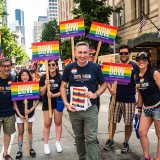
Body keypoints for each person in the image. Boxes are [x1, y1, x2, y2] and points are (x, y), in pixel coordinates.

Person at [60, 41, 106, 160]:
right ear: (75, 53)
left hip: (91, 108)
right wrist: (66, 103)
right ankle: (82, 157)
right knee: (79, 137)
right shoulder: (69, 67)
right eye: (80, 52)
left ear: (89, 53)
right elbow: (62, 87)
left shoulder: (95, 67)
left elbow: (104, 85)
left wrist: (95, 94)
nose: (82, 55)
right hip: (74, 109)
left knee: (91, 138)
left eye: (85, 52)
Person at [104, 45, 139, 153]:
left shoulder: (135, 66)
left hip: (129, 100)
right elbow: (107, 81)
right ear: (119, 54)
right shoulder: (114, 66)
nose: (123, 55)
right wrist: (110, 89)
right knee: (112, 121)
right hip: (115, 99)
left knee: (128, 123)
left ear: (129, 54)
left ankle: (126, 142)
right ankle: (110, 139)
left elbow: (139, 82)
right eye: (121, 53)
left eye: (125, 53)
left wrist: (139, 99)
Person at [135, 51, 160, 160]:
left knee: (159, 134)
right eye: (139, 58)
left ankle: (158, 157)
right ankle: (146, 156)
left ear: (148, 60)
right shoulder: (136, 76)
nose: (141, 60)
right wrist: (139, 110)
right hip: (146, 108)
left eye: (144, 58)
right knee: (141, 132)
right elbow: (140, 94)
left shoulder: (154, 73)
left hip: (158, 106)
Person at [13, 69, 39, 159]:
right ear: (20, 76)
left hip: (30, 113)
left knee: (29, 130)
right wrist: (19, 114)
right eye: (23, 75)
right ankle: (19, 150)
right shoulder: (16, 87)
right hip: (20, 113)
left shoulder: (33, 85)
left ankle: (30, 148)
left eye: (27, 75)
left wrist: (30, 110)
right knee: (20, 131)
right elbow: (15, 103)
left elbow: (37, 101)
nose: (25, 77)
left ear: (29, 76)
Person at [39, 59, 63, 154]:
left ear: (57, 66)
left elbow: (63, 91)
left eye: (53, 64)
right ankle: (46, 144)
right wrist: (45, 85)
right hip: (46, 103)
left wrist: (53, 95)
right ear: (47, 66)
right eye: (49, 65)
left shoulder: (60, 77)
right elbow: (41, 92)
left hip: (58, 102)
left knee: (58, 122)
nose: (51, 66)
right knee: (47, 124)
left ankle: (57, 142)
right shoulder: (43, 78)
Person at [0, 57, 17, 160]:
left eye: (8, 66)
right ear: (0, 67)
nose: (6, 68)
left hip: (9, 112)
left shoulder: (14, 78)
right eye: (4, 66)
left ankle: (6, 153)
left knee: (7, 133)